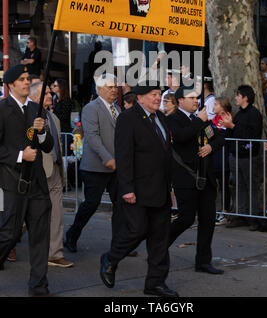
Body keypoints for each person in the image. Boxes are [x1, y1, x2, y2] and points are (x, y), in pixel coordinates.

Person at [100, 83, 178, 297]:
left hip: (160, 189)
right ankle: (111, 258)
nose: (157, 98)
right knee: (137, 230)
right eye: (153, 95)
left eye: (159, 95)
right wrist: (126, 188)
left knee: (160, 239)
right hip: (138, 189)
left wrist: (170, 187)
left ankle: (155, 283)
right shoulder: (128, 118)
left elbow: (165, 154)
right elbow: (123, 155)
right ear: (140, 97)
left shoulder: (160, 118)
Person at [0, 64, 54, 296]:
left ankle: (39, 286)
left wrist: (41, 133)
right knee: (9, 233)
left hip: (38, 184)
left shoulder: (36, 108)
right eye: (21, 79)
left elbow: (48, 145)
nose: (26, 82)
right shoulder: (2, 109)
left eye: (27, 79)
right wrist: (21, 155)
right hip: (12, 182)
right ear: (10, 85)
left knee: (40, 237)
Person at [166, 85, 225, 275]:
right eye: (191, 98)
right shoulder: (173, 119)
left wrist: (211, 148)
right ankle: (159, 246)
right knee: (185, 218)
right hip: (186, 177)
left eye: (197, 98)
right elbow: (181, 137)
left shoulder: (202, 121)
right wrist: (199, 121)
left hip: (205, 177)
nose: (196, 101)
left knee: (208, 220)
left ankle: (203, 261)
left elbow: (217, 138)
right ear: (180, 100)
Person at [64, 74, 121, 253]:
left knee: (120, 205)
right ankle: (72, 236)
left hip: (116, 167)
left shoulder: (117, 109)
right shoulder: (91, 108)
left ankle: (119, 243)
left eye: (115, 86)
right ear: (100, 89)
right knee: (91, 204)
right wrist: (108, 158)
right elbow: (93, 137)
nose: (114, 89)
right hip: (95, 167)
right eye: (110, 87)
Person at [30, 82, 73, 268]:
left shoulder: (53, 117)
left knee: (56, 214)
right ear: (35, 96)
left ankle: (54, 253)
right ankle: (8, 242)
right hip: (35, 173)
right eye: (45, 93)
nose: (50, 95)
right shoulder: (29, 116)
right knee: (23, 216)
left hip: (54, 170)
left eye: (49, 92)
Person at [221, 85, 263, 230]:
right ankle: (240, 215)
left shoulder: (254, 114)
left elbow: (252, 136)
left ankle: (253, 218)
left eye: (238, 95)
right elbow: (233, 133)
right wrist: (227, 126)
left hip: (248, 156)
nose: (236, 98)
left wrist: (232, 126)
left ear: (245, 97)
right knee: (238, 186)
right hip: (235, 155)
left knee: (250, 186)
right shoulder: (238, 114)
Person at [211, 97, 232, 222]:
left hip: (224, 158)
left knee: (224, 186)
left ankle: (225, 211)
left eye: (215, 104)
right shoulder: (212, 120)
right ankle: (212, 211)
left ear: (222, 107)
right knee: (213, 186)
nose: (213, 107)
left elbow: (225, 136)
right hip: (213, 157)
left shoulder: (227, 119)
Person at [52, 79, 72, 156]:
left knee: (63, 154)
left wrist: (53, 115)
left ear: (61, 87)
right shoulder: (56, 100)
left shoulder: (66, 100)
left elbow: (64, 116)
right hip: (58, 130)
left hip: (64, 131)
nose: (53, 87)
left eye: (55, 86)